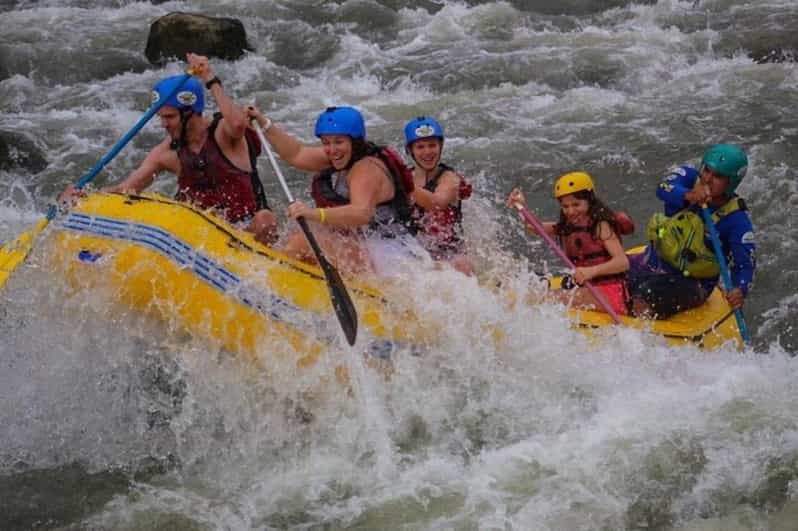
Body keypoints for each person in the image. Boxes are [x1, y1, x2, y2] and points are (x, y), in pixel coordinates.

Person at [60, 53, 278, 245]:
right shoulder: (166, 153)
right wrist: (84, 196)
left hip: (244, 232)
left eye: (170, 117)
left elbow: (239, 124)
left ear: (192, 112)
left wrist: (209, 77)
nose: (163, 124)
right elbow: (127, 189)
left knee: (265, 220)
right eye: (161, 117)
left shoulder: (223, 133)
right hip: (200, 236)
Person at [246, 105, 426, 276]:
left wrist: (313, 213)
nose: (332, 150)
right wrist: (264, 123)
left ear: (354, 142)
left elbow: (361, 213)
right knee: (295, 236)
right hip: (366, 246)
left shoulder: (367, 169)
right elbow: (296, 154)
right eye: (326, 142)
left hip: (391, 257)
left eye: (338, 142)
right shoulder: (340, 156)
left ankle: (271, 283)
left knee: (303, 242)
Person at [628, 144, 755, 318]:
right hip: (654, 262)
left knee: (647, 292)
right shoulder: (687, 177)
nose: (708, 179)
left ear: (731, 183)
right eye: (707, 170)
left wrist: (740, 289)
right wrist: (689, 196)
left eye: (718, 176)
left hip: (693, 284)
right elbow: (663, 188)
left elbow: (744, 264)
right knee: (608, 272)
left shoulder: (737, 221)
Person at [506, 171, 633, 316]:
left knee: (544, 298)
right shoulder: (568, 227)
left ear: (590, 201)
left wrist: (591, 271)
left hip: (611, 294)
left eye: (576, 204)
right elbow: (535, 227)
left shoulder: (601, 226)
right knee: (539, 291)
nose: (571, 211)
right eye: (565, 206)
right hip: (590, 290)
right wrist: (521, 207)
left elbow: (623, 262)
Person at [403, 116, 474, 276]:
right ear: (410, 151)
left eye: (432, 145)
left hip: (450, 253)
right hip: (413, 249)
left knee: (462, 266)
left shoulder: (450, 178)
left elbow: (437, 204)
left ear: (440, 146)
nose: (427, 152)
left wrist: (404, 183)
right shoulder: (405, 176)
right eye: (420, 147)